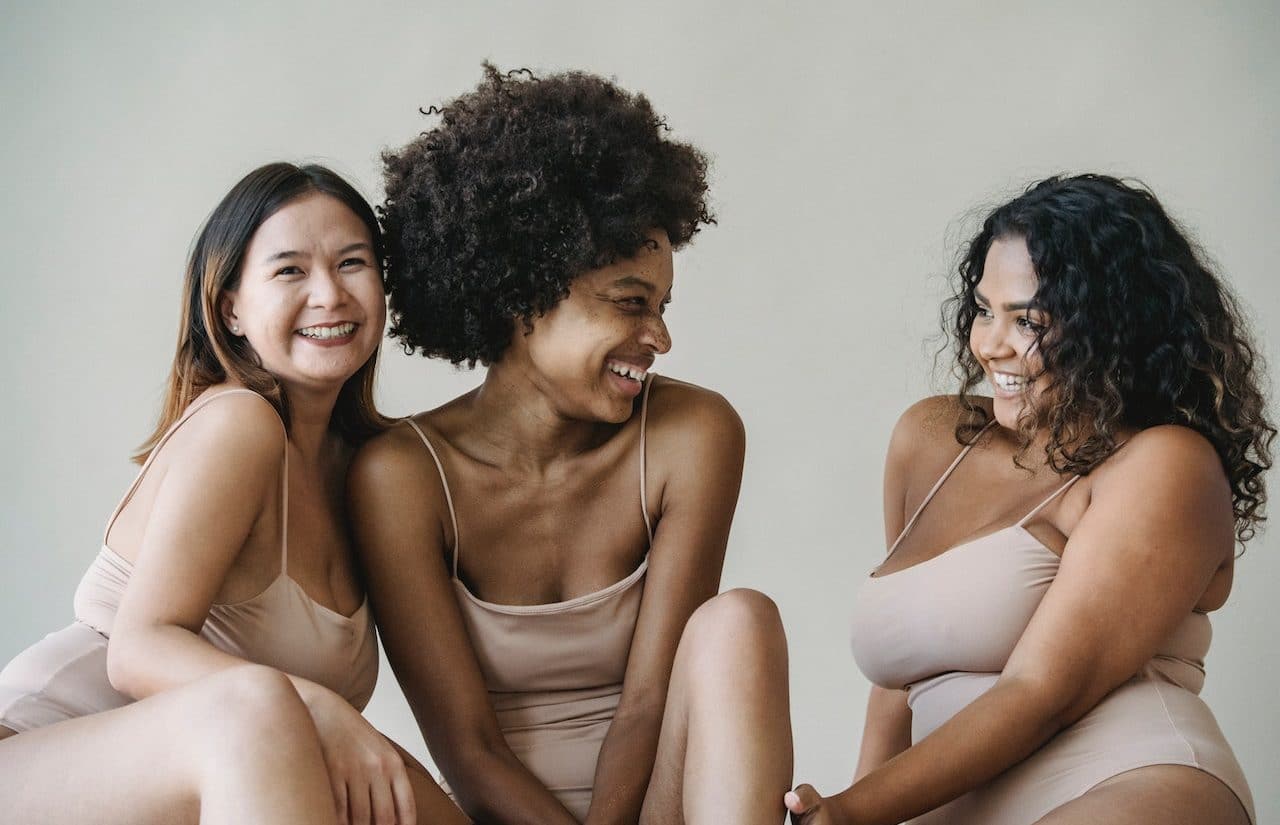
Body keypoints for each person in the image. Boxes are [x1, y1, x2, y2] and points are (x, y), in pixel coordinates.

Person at [350, 65, 794, 825]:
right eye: (630, 304)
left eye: (660, 306)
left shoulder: (692, 434)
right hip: (507, 817)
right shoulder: (401, 476)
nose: (658, 337)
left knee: (739, 620)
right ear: (522, 297)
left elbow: (649, 703)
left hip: (663, 802)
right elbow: (470, 750)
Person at [786, 174, 1272, 825]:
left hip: (1123, 783)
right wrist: (857, 807)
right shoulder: (931, 437)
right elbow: (896, 681)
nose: (992, 344)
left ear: (1114, 326)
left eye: (1030, 320)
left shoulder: (1165, 465)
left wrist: (851, 811)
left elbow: (1044, 689)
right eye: (985, 310)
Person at [0, 162, 464, 825]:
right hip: (31, 764)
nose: (329, 294)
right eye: (290, 270)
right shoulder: (238, 423)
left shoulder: (368, 473)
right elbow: (138, 649)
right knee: (258, 707)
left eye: (353, 262)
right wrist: (322, 708)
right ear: (232, 309)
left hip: (214, 776)